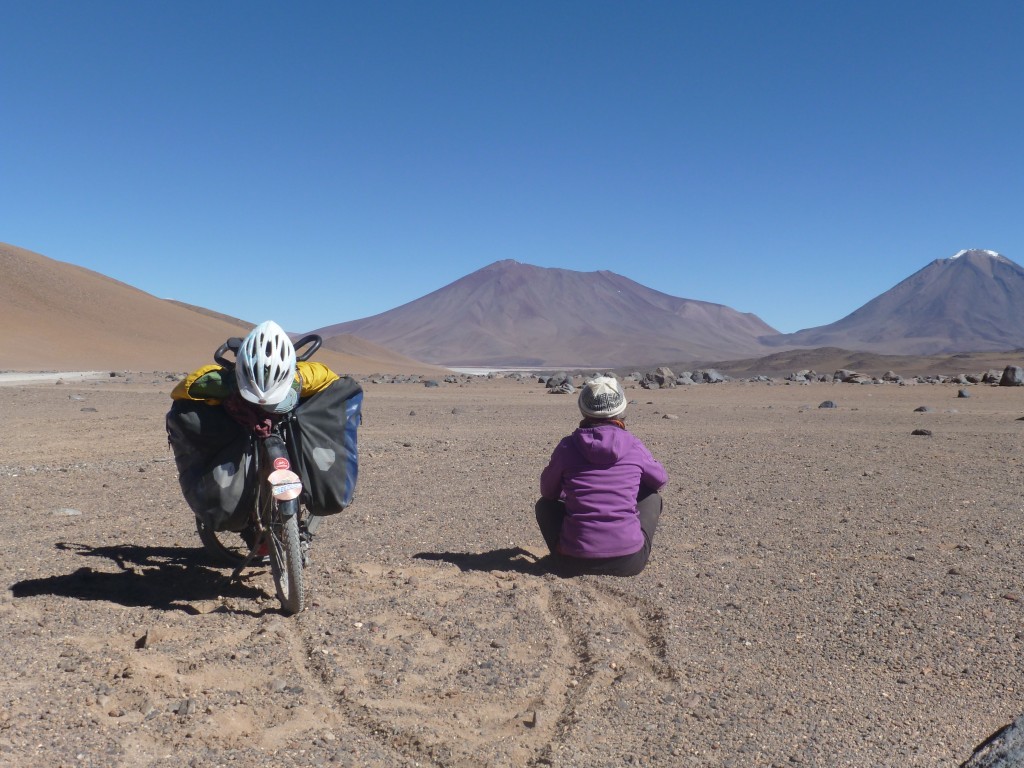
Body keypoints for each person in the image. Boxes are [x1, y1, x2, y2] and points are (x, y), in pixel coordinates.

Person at [167, 320, 362, 548]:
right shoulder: (213, 382)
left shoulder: (307, 376)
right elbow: (184, 391)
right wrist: (229, 388)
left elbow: (332, 384)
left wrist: (296, 386)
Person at [536, 375, 668, 577]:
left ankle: (566, 550)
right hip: (629, 562)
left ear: (583, 408)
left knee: (544, 505)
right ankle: (625, 542)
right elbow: (660, 480)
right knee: (652, 496)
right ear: (621, 409)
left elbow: (548, 492)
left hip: (571, 563)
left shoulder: (567, 446)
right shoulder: (633, 444)